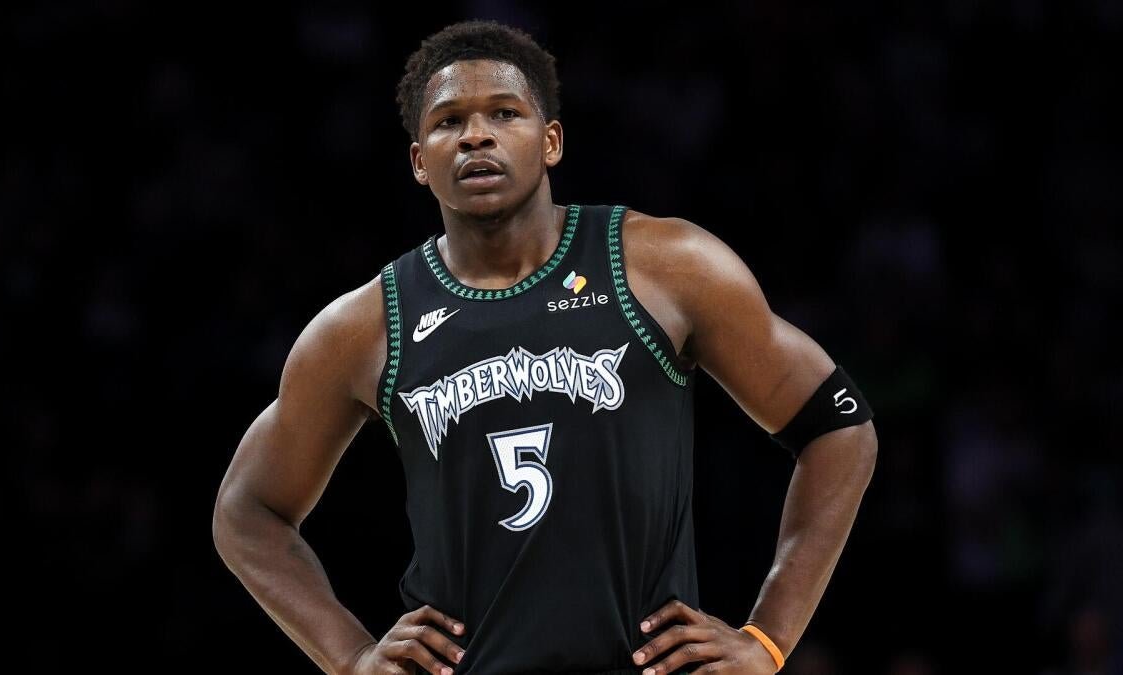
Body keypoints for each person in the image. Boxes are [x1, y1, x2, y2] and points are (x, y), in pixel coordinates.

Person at [213, 19, 878, 675]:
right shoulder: (364, 325)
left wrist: (767, 638)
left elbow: (839, 426)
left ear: (551, 141)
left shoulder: (665, 265)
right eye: (448, 121)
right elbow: (246, 511)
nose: (476, 135)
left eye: (504, 113)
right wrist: (351, 655)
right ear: (419, 161)